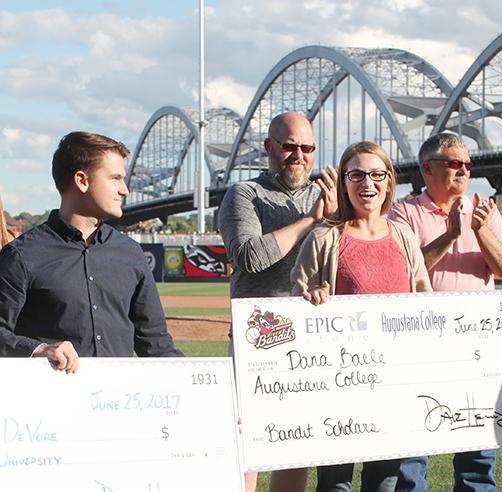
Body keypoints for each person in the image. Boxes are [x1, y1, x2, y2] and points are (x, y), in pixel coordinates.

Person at [289, 141, 431, 491]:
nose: (367, 183)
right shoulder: (323, 239)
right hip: (337, 392)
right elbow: (294, 306)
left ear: (388, 181)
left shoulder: (404, 236)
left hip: (392, 390)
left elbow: (427, 307)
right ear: (345, 182)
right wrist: (310, 302)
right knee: (335, 485)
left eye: (376, 174)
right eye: (356, 175)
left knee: (384, 483)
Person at [218, 112, 338, 492]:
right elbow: (250, 257)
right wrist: (310, 221)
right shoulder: (245, 193)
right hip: (258, 339)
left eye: (307, 148)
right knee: (246, 444)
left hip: (310, 342)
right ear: (269, 147)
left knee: (294, 445)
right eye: (289, 147)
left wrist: (337, 217)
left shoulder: (330, 195)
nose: (298, 155)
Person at [390, 132, 502, 492]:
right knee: (413, 453)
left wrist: (478, 230)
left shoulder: (484, 208)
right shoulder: (405, 211)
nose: (463, 171)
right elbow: (403, 273)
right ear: (428, 168)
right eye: (454, 164)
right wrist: (449, 235)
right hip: (420, 345)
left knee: (477, 455)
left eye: (467, 165)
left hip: (476, 345)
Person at [0, 131, 183, 369]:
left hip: (120, 401)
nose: (125, 190)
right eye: (115, 178)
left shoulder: (130, 253)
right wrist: (39, 350)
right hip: (52, 402)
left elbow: (156, 344)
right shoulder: (22, 255)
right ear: (82, 181)